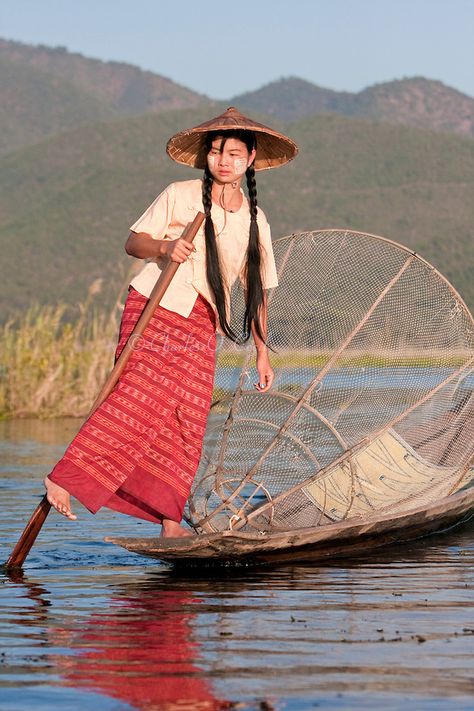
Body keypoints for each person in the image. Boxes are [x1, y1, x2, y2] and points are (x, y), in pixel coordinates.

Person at [44, 107, 298, 537]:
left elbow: (256, 291)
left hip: (202, 322)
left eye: (234, 154)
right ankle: (63, 477)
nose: (224, 161)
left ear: (250, 159)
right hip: (156, 309)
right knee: (138, 398)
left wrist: (261, 352)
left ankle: (168, 520)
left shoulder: (257, 219)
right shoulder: (180, 194)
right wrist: (165, 248)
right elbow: (133, 242)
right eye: (217, 152)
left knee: (187, 418)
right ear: (207, 157)